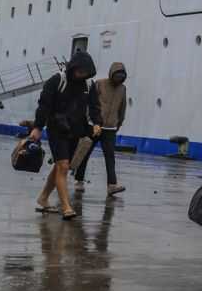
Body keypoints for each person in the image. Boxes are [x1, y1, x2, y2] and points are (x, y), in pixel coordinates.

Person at [29, 51, 101, 221]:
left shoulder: (89, 85)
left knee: (60, 167)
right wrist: (38, 127)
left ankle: (43, 198)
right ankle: (66, 207)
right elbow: (44, 105)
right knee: (63, 166)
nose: (81, 75)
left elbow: (94, 106)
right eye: (79, 71)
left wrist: (97, 122)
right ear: (73, 67)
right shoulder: (57, 80)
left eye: (85, 72)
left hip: (76, 130)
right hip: (56, 129)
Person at [74, 62, 128, 197]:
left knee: (110, 156)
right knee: (85, 152)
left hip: (110, 128)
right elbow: (90, 103)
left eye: (122, 76)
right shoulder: (99, 84)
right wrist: (89, 121)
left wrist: (119, 124)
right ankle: (79, 180)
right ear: (112, 73)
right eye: (117, 75)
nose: (119, 78)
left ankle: (112, 185)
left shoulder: (123, 89)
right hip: (94, 126)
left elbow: (122, 107)